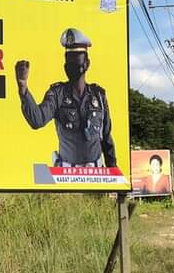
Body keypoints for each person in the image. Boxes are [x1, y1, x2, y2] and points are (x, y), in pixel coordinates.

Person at [15, 28, 116, 168]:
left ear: (87, 64)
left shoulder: (99, 95)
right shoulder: (57, 94)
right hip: (66, 176)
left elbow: (106, 137)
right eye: (68, 61)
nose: (71, 65)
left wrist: (115, 177)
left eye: (76, 60)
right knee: (43, 176)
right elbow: (37, 120)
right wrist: (23, 88)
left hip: (96, 176)